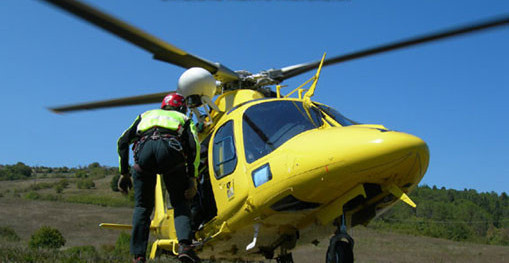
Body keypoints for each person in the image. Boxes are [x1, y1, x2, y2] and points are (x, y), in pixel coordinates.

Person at [117, 92, 201, 263]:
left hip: (144, 152)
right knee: (179, 202)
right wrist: (192, 178)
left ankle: (138, 256)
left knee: (142, 207)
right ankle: (185, 247)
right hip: (170, 151)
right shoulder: (183, 119)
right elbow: (194, 147)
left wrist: (124, 173)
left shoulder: (145, 115)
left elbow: (122, 142)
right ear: (182, 107)